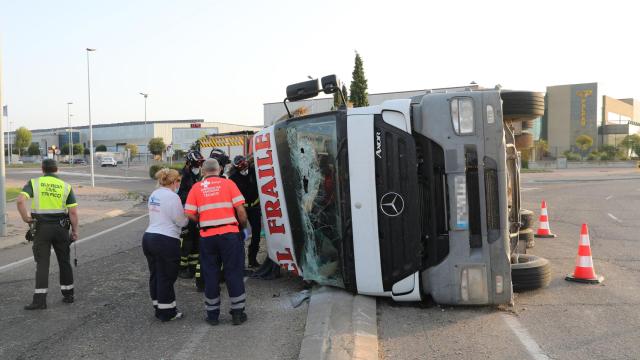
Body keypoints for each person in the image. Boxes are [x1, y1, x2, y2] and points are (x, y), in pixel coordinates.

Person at [185, 159, 248, 326]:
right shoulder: (229, 184)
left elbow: (189, 213)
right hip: (230, 234)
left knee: (210, 274)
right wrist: (243, 227)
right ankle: (237, 313)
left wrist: (201, 221)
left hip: (207, 236)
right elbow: (241, 211)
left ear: (204, 171)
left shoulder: (196, 187)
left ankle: (212, 315)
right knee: (233, 272)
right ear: (219, 170)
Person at [16, 159, 79, 310]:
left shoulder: (34, 183)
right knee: (64, 261)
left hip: (41, 229)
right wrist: (75, 231)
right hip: (61, 229)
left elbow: (20, 201)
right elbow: (73, 212)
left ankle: (40, 301)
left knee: (42, 263)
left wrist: (26, 218)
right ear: (57, 169)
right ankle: (68, 294)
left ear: (42, 169)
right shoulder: (66, 186)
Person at [143, 168, 189, 322]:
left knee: (155, 274)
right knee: (167, 276)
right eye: (178, 182)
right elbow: (180, 220)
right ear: (174, 182)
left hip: (149, 237)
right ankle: (167, 312)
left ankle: (158, 307)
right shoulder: (173, 197)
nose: (179, 185)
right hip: (166, 239)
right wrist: (188, 219)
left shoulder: (154, 194)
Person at [177, 150, 205, 292]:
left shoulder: (199, 174)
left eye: (201, 163)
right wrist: (194, 194)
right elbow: (180, 194)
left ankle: (193, 267)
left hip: (197, 212)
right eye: (197, 162)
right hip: (186, 212)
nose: (199, 165)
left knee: (196, 241)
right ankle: (182, 268)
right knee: (186, 242)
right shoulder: (183, 175)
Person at [229, 155, 262, 268]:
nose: (243, 166)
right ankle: (240, 262)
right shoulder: (233, 178)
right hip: (241, 209)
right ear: (236, 167)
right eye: (240, 165)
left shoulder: (254, 172)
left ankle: (252, 259)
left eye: (244, 163)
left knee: (257, 234)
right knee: (240, 235)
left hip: (255, 207)